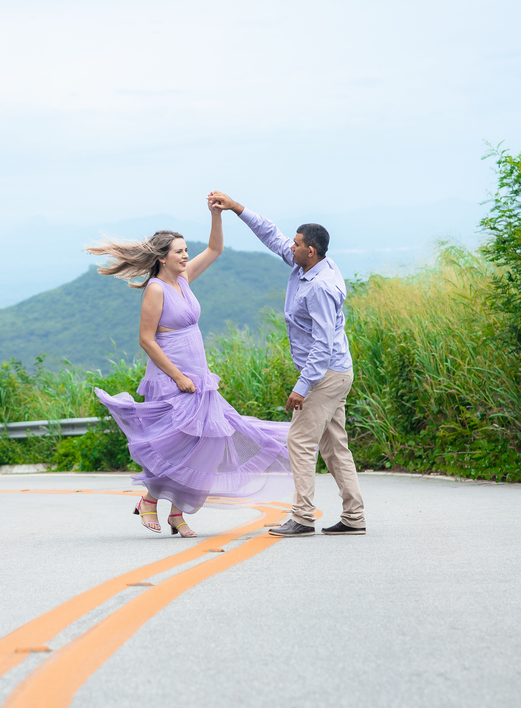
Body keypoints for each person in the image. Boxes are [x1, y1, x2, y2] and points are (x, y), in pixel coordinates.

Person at [87, 199, 292, 538]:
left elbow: (215, 249)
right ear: (162, 257)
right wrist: (178, 377)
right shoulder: (155, 290)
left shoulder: (183, 279)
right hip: (172, 379)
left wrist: (216, 215)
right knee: (179, 448)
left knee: (205, 446)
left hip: (199, 378)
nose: (185, 256)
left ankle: (176, 513)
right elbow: (146, 340)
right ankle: (150, 501)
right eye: (179, 251)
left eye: (185, 250)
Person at [207, 191, 366, 537]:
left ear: (311, 251)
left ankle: (303, 517)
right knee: (334, 447)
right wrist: (236, 208)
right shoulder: (308, 264)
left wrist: (301, 387)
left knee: (300, 441)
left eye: (296, 244)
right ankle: (354, 516)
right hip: (335, 371)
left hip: (325, 374)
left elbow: (322, 345)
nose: (289, 247)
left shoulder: (320, 287)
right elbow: (271, 234)